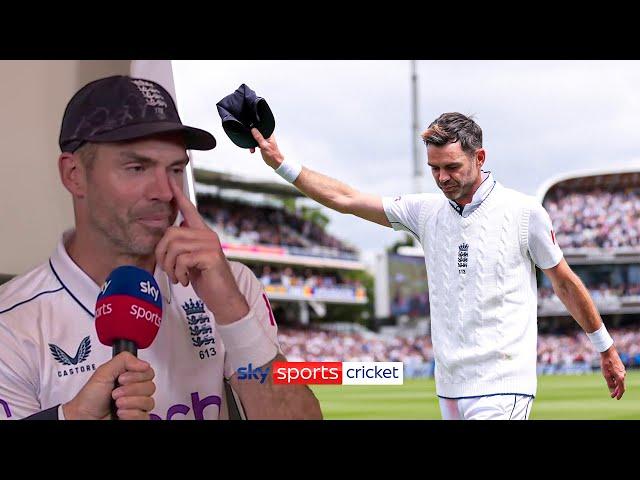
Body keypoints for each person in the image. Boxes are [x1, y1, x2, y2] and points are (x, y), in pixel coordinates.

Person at [248, 112, 626, 420]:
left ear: (480, 158)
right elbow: (346, 198)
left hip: (503, 382)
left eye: (452, 166)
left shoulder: (524, 212)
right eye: (434, 168)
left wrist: (605, 346)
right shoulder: (423, 211)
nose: (442, 178)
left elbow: (563, 282)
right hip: (448, 385)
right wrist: (282, 164)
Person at [0, 75, 322, 420]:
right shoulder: (12, 325)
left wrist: (231, 309)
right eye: (137, 167)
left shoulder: (231, 284)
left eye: (175, 169)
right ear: (74, 174)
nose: (165, 192)